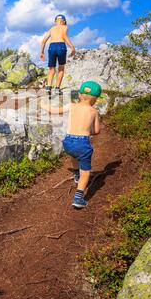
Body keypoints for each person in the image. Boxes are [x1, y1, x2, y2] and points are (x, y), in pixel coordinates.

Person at [40, 81, 102, 209]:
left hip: (68, 142)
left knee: (74, 155)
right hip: (82, 143)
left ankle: (76, 175)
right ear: (95, 99)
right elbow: (96, 131)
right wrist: (86, 130)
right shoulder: (94, 111)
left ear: (79, 95)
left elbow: (55, 111)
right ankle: (78, 198)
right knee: (86, 173)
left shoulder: (71, 106)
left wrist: (43, 105)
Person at [40, 14, 76, 96]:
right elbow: (64, 36)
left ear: (55, 22)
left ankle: (48, 87)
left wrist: (42, 52)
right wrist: (72, 47)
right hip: (61, 46)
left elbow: (43, 41)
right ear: (64, 21)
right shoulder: (64, 27)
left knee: (51, 69)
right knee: (61, 68)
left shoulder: (52, 29)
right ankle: (57, 89)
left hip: (51, 47)